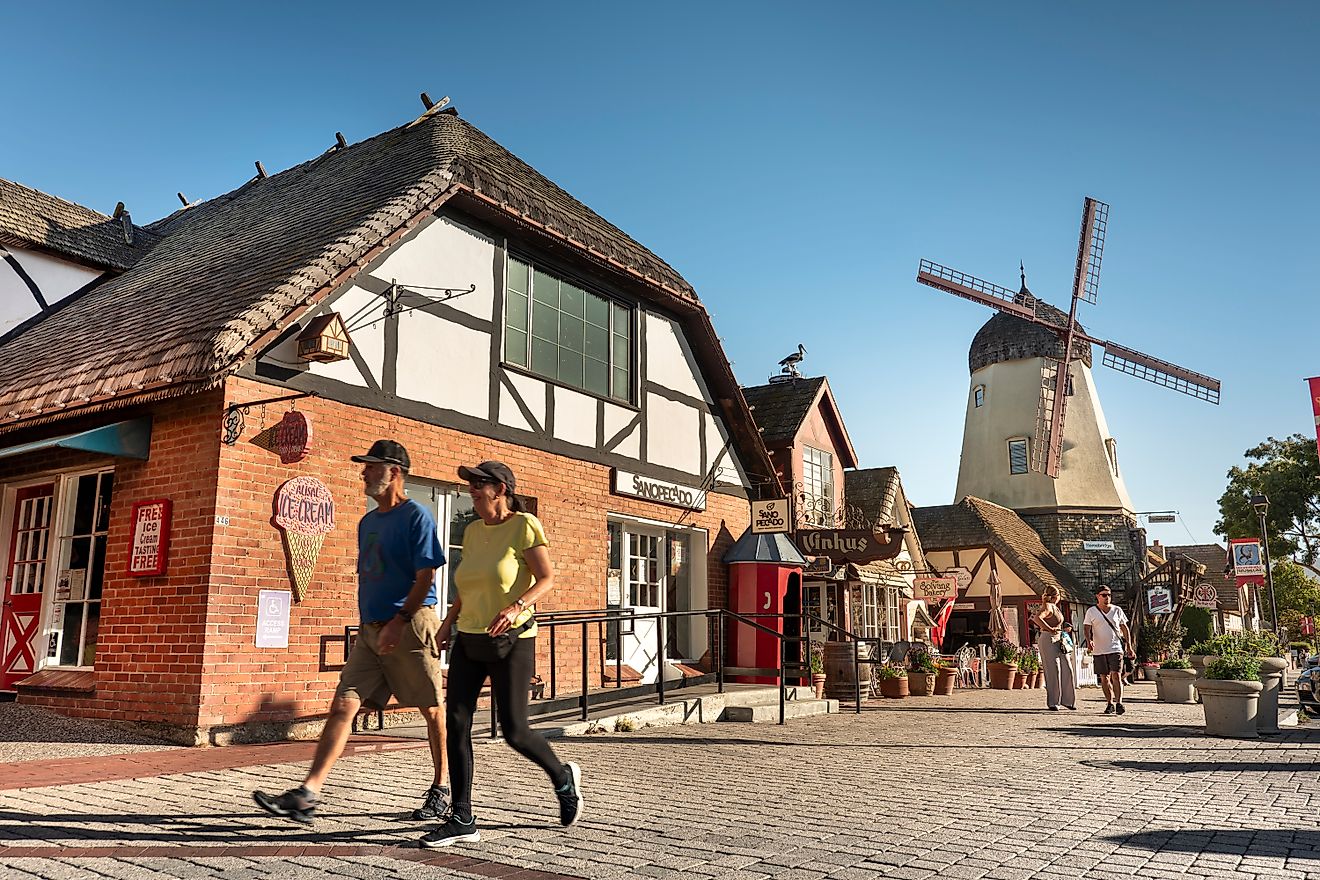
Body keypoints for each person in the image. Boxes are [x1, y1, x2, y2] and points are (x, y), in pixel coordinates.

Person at [253, 439, 450, 825]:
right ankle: (308, 793)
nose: (363, 472)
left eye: (372, 466)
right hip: (370, 632)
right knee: (344, 703)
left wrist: (398, 621)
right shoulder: (367, 522)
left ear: (394, 471)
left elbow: (426, 576)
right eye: (364, 466)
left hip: (410, 625)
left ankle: (441, 790)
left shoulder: (417, 517)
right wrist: (371, 626)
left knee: (431, 709)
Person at [420, 460, 583, 848]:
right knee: (457, 722)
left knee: (514, 730)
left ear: (501, 489)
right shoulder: (472, 530)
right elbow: (468, 584)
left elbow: (547, 578)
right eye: (471, 484)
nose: (472, 489)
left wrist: (515, 607)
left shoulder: (524, 526)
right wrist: (447, 623)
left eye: (480, 483)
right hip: (470, 639)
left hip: (513, 639)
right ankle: (462, 816)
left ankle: (562, 778)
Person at [1083, 585, 1135, 715]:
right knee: (1104, 678)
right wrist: (1089, 640)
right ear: (1097, 596)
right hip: (1099, 650)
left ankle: (1119, 703)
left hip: (1115, 648)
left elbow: (1124, 628)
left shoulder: (1117, 610)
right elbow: (1086, 627)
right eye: (1104, 595)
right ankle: (1109, 703)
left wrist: (1128, 645)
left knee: (1116, 675)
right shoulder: (1091, 611)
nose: (1107, 598)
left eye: (1109, 595)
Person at [1030, 586, 1076, 711]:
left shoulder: (1055, 607)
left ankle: (1067, 700)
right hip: (1048, 639)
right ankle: (1054, 702)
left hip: (1058, 639)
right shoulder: (1048, 606)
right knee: (1053, 670)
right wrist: (1050, 629)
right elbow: (1037, 618)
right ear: (1056, 596)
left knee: (1067, 668)